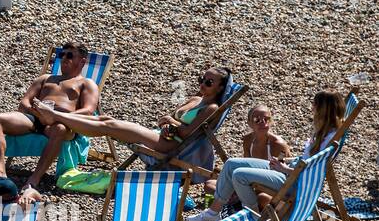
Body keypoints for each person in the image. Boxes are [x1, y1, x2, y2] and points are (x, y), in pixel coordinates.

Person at [187, 92, 344, 221]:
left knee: (239, 175)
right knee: (231, 164)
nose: (312, 108)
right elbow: (308, 160)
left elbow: (312, 169)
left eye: (314, 105)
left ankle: (253, 220)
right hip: (292, 172)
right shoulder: (324, 133)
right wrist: (287, 162)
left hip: (295, 181)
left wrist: (284, 169)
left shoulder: (330, 138)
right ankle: (213, 212)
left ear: (322, 110)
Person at [0, 42, 101, 200]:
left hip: (62, 122)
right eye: (62, 54)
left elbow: (88, 111)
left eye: (70, 55)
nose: (64, 58)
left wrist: (55, 115)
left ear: (82, 61)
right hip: (36, 118)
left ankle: (34, 179)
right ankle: (0, 172)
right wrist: (39, 114)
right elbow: (24, 102)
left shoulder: (86, 83)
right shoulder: (46, 78)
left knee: (59, 128)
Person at [31, 66, 233, 156]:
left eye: (209, 82)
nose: (203, 84)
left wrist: (171, 124)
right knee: (104, 118)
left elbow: (188, 133)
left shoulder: (211, 108)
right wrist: (168, 122)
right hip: (161, 135)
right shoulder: (195, 99)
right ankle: (58, 117)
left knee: (109, 126)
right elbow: (169, 118)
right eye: (202, 79)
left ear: (220, 88)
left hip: (168, 145)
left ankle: (56, 116)